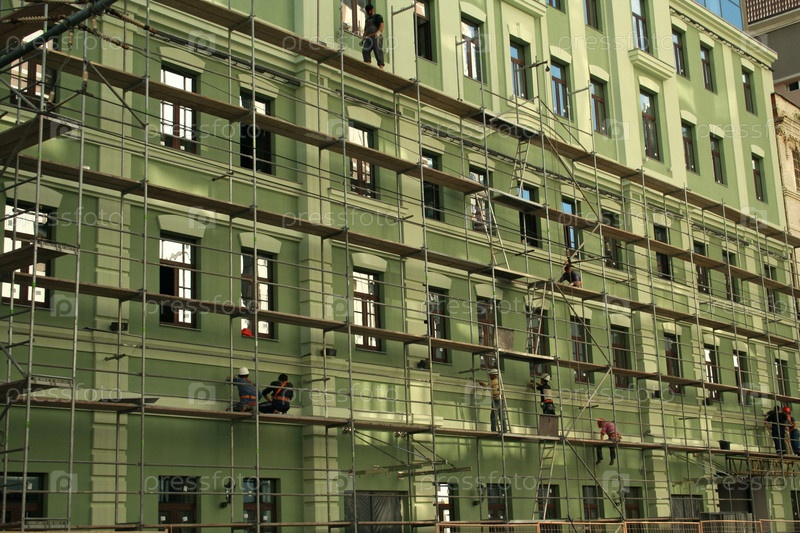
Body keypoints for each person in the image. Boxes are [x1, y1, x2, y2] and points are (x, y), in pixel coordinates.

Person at [361, 4, 385, 69]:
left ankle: (381, 66)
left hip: (376, 36)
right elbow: (366, 30)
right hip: (369, 37)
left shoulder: (377, 17)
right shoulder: (367, 20)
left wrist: (379, 31)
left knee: (377, 50)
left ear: (372, 9)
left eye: (370, 10)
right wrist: (363, 38)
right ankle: (367, 63)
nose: (369, 12)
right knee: (365, 50)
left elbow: (381, 24)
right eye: (367, 11)